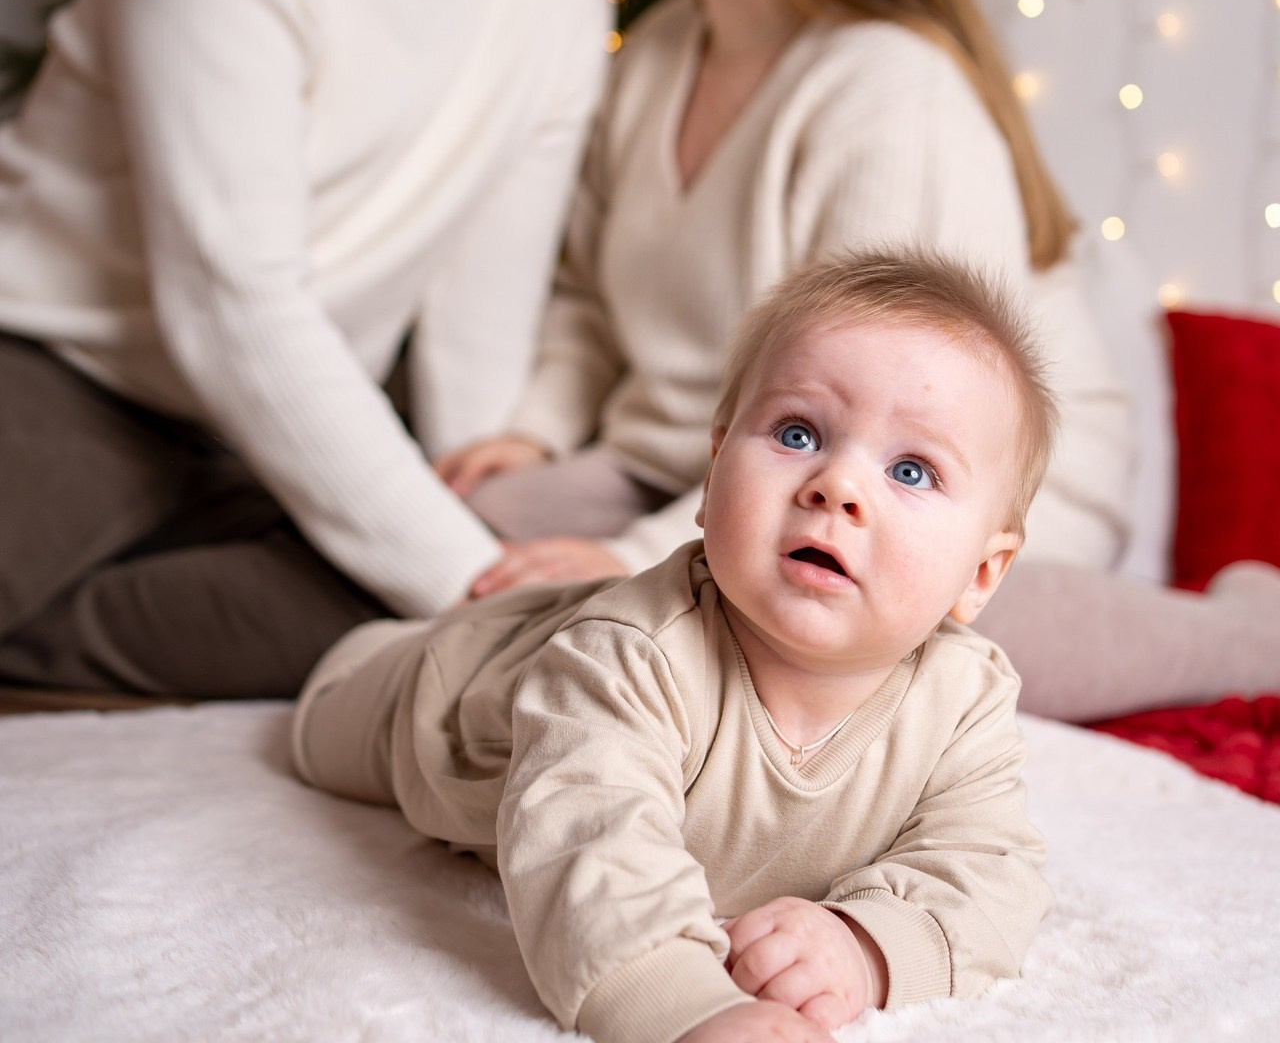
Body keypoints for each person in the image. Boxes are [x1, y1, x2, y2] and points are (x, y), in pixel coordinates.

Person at [438, 0, 1280, 722]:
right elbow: (587, 297)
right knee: (470, 540)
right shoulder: (659, 55)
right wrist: (535, 430)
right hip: (713, 464)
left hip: (930, 487)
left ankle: (1249, 633)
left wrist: (631, 564)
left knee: (911, 650)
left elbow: (890, 413)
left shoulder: (888, 88)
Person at [293, 250, 1056, 1043]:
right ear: (714, 469)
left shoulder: (964, 705)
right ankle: (364, 647)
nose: (838, 487)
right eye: (798, 433)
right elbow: (589, 850)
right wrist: (692, 1007)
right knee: (320, 727)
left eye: (911, 469)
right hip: (455, 692)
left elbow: (991, 877)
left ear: (983, 573)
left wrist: (864, 949)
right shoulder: (626, 661)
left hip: (573, 631)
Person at [0, 0, 634, 698]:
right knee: (433, 590)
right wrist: (472, 588)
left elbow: (480, 302)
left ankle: (45, 650)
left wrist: (477, 525)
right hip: (66, 376)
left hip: (275, 429)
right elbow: (233, 305)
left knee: (386, 617)